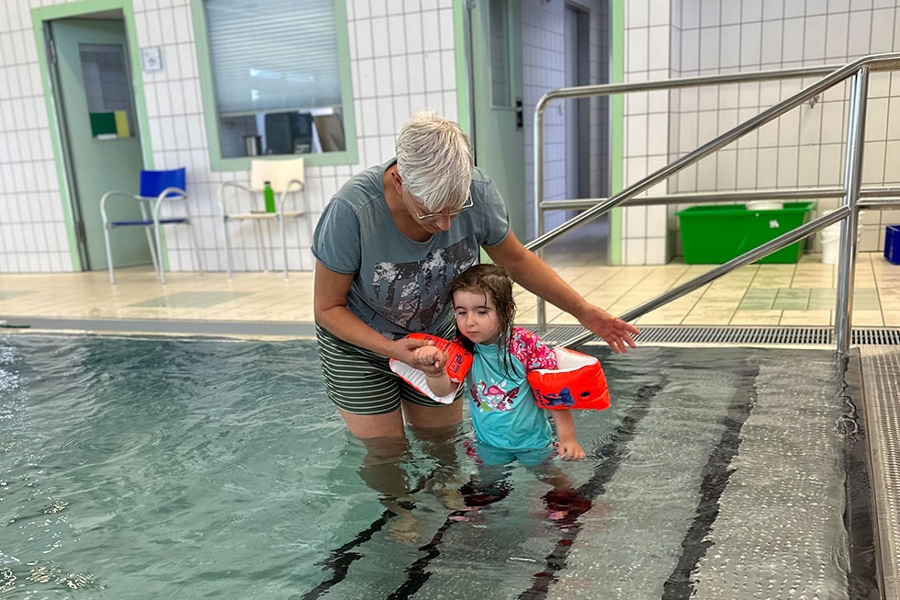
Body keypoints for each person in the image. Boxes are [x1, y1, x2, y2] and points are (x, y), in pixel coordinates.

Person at [312, 111, 637, 540]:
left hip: (438, 335)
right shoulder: (353, 211)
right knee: (387, 450)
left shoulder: (476, 190)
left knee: (442, 440)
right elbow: (327, 308)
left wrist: (583, 310)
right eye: (432, 215)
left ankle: (445, 491)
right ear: (400, 182)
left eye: (456, 210)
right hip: (358, 342)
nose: (446, 226)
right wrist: (390, 349)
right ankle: (400, 511)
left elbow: (516, 259)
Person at [412, 264, 592, 523]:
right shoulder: (463, 349)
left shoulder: (525, 346)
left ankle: (568, 503)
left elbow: (552, 391)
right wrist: (434, 373)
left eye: (481, 311)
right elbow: (445, 391)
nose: (469, 321)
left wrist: (568, 437)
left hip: (532, 441)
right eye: (461, 312)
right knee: (486, 481)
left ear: (506, 310)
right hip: (490, 443)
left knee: (551, 475)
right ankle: (487, 508)